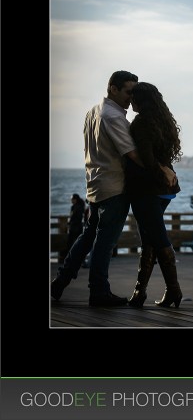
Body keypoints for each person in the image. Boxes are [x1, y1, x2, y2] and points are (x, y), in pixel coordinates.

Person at [51, 70, 176, 306]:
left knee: (88, 236)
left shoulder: (92, 111)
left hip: (94, 184)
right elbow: (135, 155)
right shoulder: (115, 117)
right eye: (128, 91)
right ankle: (98, 291)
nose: (132, 97)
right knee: (104, 242)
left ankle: (60, 281)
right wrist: (164, 170)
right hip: (114, 187)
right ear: (113, 89)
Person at [125, 82, 183, 308]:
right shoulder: (163, 120)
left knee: (157, 239)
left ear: (141, 100)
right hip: (165, 191)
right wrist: (168, 178)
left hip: (148, 190)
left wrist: (161, 177)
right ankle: (140, 292)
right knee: (149, 240)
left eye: (134, 98)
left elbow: (147, 160)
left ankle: (174, 290)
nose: (131, 102)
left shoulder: (141, 123)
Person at [63, 194, 86, 264]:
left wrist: (70, 223)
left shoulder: (77, 207)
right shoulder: (77, 206)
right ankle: (77, 259)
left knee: (71, 244)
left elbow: (76, 218)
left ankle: (69, 260)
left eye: (72, 199)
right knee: (78, 244)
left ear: (75, 199)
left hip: (75, 228)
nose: (71, 200)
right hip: (77, 227)